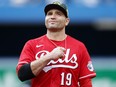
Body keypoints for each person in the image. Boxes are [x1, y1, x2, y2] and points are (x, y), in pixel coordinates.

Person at [16, 1, 96, 87]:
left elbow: (86, 82)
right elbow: (22, 74)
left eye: (58, 14)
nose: (53, 17)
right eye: (49, 14)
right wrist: (49, 56)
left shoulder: (79, 46)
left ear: (67, 21)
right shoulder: (32, 44)